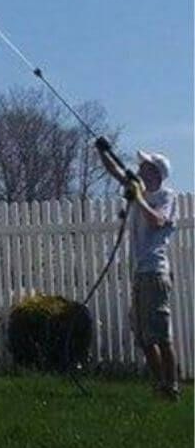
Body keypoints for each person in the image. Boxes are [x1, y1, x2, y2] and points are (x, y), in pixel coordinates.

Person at [95, 137, 179, 400]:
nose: (140, 168)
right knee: (144, 337)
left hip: (155, 271)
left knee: (160, 335)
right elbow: (116, 171)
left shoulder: (166, 196)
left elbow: (156, 221)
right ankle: (159, 387)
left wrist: (138, 199)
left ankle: (171, 386)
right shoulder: (138, 187)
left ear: (156, 172)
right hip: (139, 273)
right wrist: (103, 151)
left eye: (145, 166)